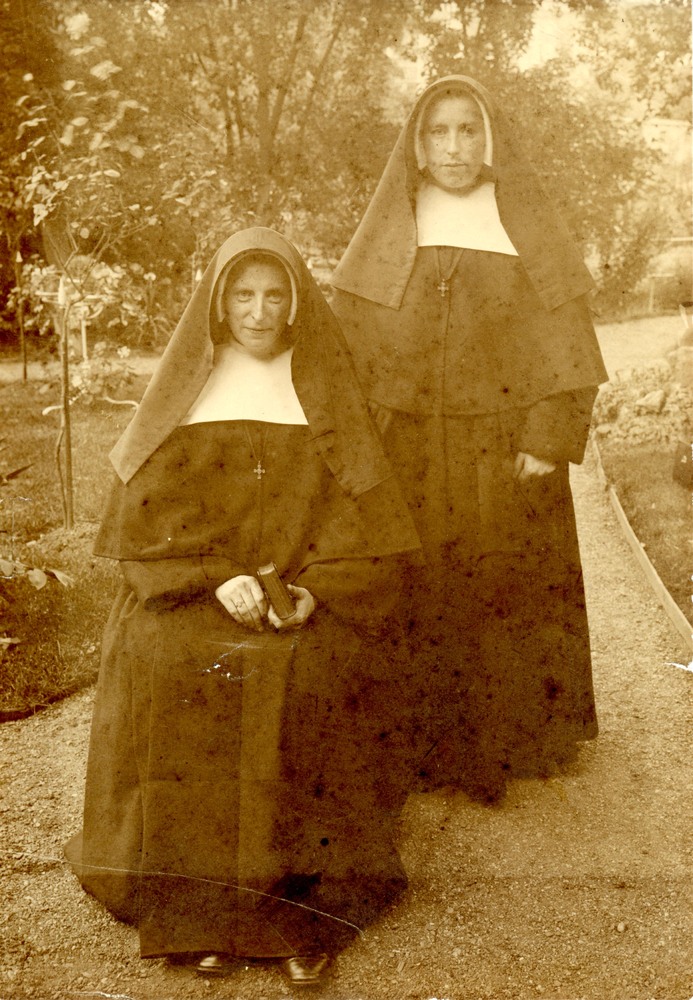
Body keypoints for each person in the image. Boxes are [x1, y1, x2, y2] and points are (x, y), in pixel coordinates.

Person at [65, 227, 420, 986]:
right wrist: (213, 575)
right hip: (196, 588)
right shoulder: (188, 387)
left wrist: (317, 588)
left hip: (302, 589)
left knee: (308, 672)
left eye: (274, 295)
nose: (258, 312)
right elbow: (150, 513)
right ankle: (198, 910)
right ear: (219, 304)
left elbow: (357, 512)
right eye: (243, 295)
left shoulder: (326, 381)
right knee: (176, 663)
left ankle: (302, 916)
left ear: (296, 304)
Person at [330, 76, 609, 802]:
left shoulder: (523, 221)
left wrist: (546, 438)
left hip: (503, 448)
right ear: (417, 145)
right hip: (412, 448)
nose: (453, 147)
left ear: (489, 139)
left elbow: (567, 339)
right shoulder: (394, 222)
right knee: (417, 583)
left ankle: (514, 740)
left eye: (467, 130)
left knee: (503, 584)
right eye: (438, 131)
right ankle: (420, 746)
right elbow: (351, 344)